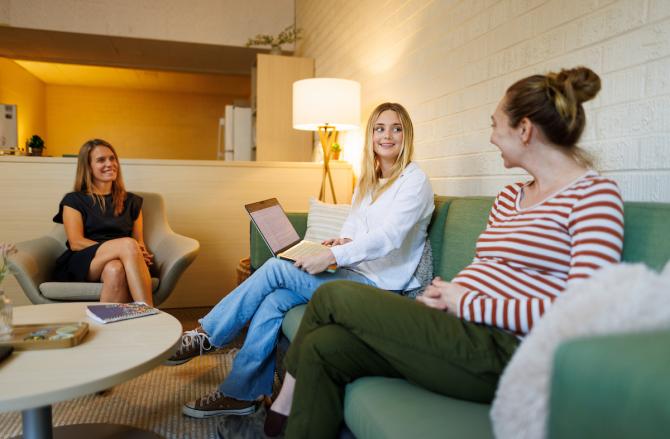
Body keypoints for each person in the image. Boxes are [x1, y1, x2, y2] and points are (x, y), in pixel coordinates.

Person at [268, 67, 625, 438]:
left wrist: (466, 303)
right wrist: (444, 295)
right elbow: (488, 268)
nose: (491, 138)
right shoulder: (509, 198)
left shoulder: (593, 196)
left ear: (525, 129)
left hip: (512, 353)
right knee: (324, 347)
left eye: (495, 125)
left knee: (333, 295)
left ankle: (281, 409)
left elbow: (585, 311)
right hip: (459, 328)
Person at [167, 102, 435, 419]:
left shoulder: (414, 182)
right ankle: (240, 394)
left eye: (396, 128)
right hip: (355, 272)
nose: (387, 135)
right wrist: (342, 240)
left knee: (276, 268)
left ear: (407, 135)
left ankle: (207, 336)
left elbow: (389, 237)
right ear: (371, 135)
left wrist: (332, 256)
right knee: (275, 300)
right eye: (380, 128)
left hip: (383, 288)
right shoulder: (370, 179)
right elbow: (355, 224)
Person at [52, 139, 154, 305]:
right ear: (88, 166)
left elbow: (139, 242)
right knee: (128, 244)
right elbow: (76, 242)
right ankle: (150, 312)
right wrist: (121, 248)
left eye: (112, 158)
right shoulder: (73, 200)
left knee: (115, 269)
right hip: (86, 261)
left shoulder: (132, 202)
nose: (110, 164)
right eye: (101, 160)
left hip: (124, 259)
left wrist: (140, 252)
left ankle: (109, 327)